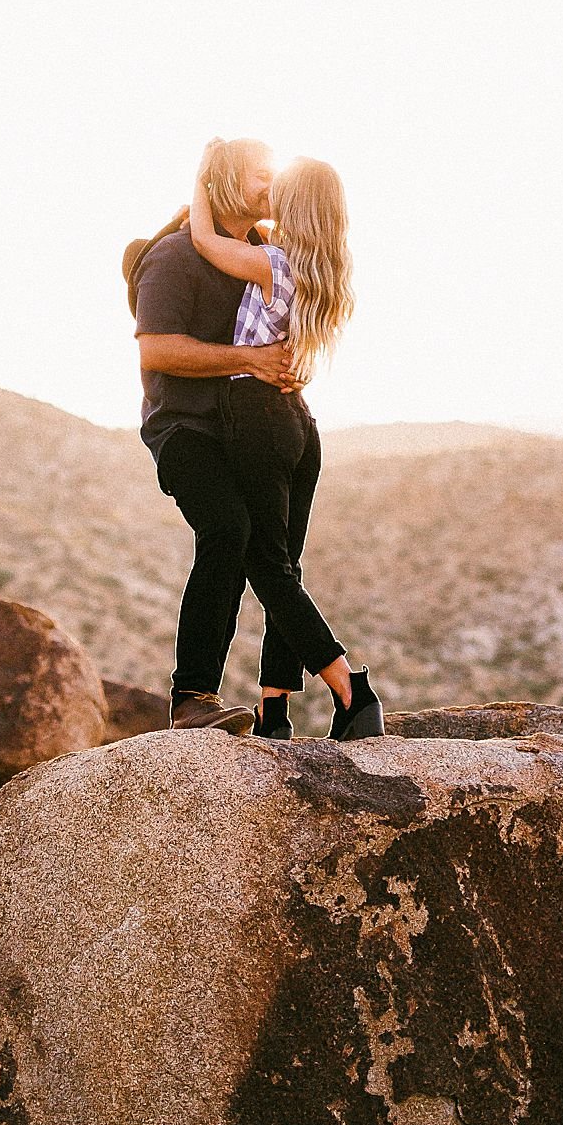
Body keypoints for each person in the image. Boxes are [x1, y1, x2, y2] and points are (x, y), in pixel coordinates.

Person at [187, 146, 383, 741]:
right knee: (286, 565)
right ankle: (274, 705)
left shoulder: (273, 262)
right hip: (299, 422)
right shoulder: (325, 269)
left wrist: (202, 182)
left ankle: (351, 687)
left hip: (257, 413)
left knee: (264, 563)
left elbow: (205, 241)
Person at [132, 138, 296, 731]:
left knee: (272, 551)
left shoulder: (262, 253)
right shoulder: (175, 257)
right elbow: (156, 347)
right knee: (227, 529)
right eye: (259, 175)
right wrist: (247, 361)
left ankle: (276, 705)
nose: (270, 186)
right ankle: (191, 698)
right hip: (184, 426)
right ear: (226, 182)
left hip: (243, 428)